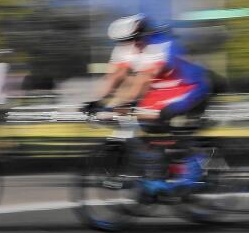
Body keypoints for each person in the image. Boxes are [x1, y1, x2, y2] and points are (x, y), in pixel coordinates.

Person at [84, 13, 211, 191]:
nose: (132, 45)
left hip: (187, 86)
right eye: (126, 41)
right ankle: (159, 173)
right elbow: (114, 76)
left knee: (158, 116)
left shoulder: (160, 44)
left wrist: (118, 103)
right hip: (160, 89)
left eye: (135, 39)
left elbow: (144, 78)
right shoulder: (124, 47)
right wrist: (96, 101)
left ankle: (192, 163)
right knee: (140, 125)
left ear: (145, 34)